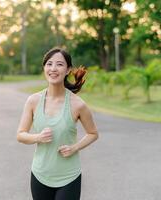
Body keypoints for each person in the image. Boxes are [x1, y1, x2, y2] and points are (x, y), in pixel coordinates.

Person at [17, 47, 99, 200]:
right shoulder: (33, 101)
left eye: (59, 64)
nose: (53, 69)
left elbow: (93, 133)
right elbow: (20, 135)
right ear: (44, 68)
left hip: (69, 177)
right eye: (49, 64)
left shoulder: (77, 104)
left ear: (68, 70)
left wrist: (75, 147)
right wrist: (38, 137)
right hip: (40, 174)